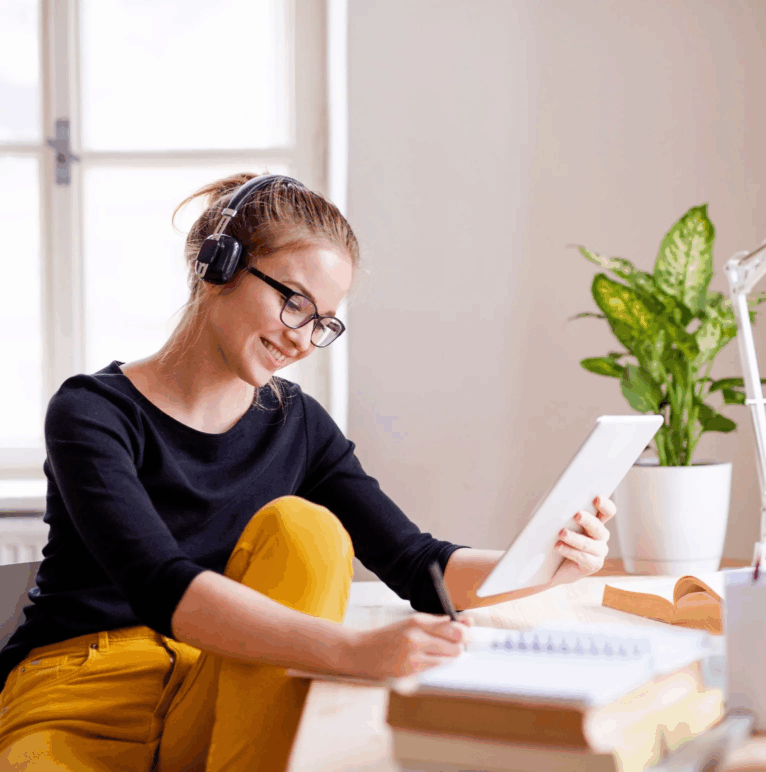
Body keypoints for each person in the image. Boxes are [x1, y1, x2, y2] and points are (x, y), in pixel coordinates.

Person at [0, 173, 617, 771]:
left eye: (322, 322)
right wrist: (353, 651)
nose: (303, 339)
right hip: (81, 685)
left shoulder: (298, 424)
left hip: (219, 678)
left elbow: (417, 564)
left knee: (307, 529)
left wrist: (545, 563)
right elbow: (161, 585)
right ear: (218, 267)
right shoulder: (92, 411)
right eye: (294, 303)